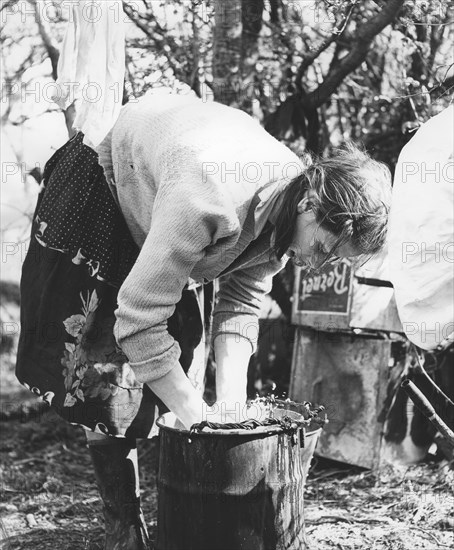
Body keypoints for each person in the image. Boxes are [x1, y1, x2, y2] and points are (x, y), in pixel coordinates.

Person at [16, 91, 392, 549]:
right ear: (310, 203)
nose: (316, 265)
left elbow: (240, 306)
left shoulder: (285, 217)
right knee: (103, 371)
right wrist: (200, 421)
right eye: (324, 250)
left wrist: (230, 411)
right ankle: (123, 524)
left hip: (161, 194)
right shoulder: (208, 196)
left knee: (178, 364)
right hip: (103, 190)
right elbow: (138, 321)